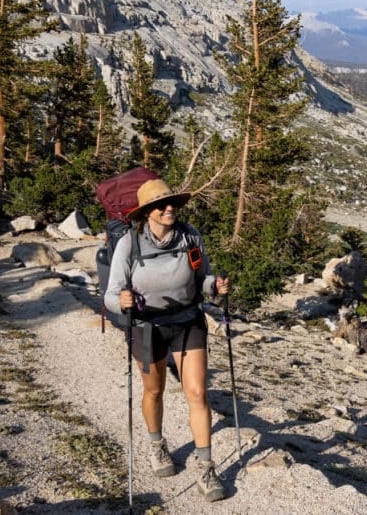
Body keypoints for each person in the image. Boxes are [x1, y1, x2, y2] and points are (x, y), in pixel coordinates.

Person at [103, 177, 230, 502]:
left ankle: (206, 467)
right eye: (161, 204)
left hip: (187, 322)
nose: (169, 207)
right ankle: (157, 446)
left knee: (198, 393)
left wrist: (215, 287)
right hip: (145, 328)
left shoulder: (190, 237)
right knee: (153, 389)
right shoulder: (129, 244)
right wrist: (123, 303)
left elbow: (202, 279)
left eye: (172, 202)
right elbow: (111, 295)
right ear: (147, 212)